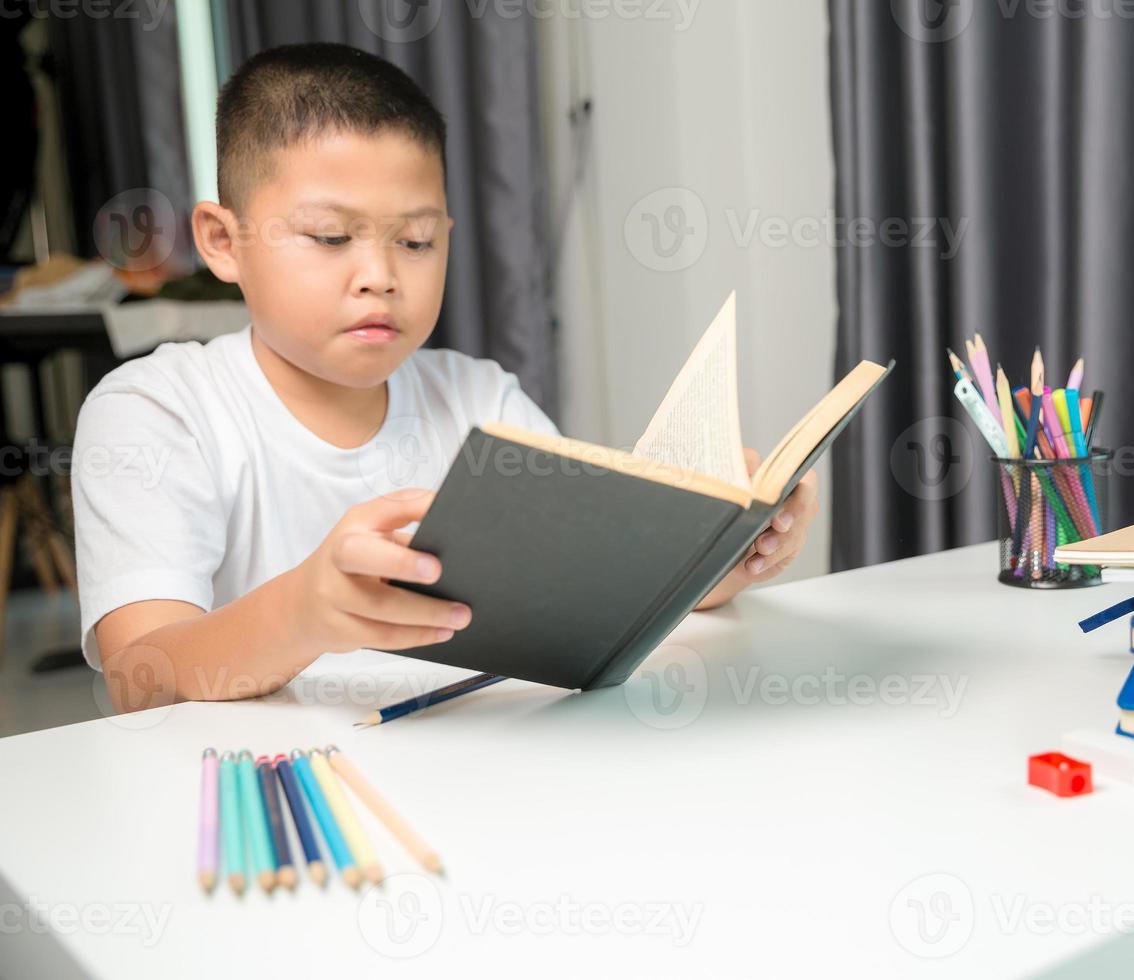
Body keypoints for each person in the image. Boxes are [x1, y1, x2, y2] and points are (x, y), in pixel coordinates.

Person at [72, 43, 817, 707]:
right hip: (266, 791)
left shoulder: (478, 396)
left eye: (417, 241)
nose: (380, 276)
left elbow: (595, 599)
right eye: (331, 236)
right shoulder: (156, 411)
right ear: (223, 242)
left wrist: (724, 554)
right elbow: (142, 677)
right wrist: (301, 613)